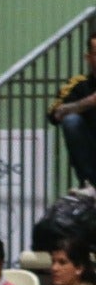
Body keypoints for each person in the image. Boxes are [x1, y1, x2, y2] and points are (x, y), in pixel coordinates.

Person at [48, 32, 96, 192]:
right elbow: (55, 114)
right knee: (71, 120)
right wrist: (89, 102)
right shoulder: (78, 84)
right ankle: (89, 185)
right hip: (92, 156)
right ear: (88, 58)